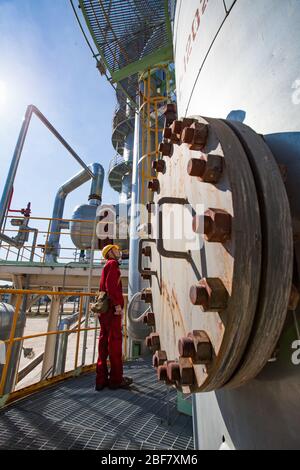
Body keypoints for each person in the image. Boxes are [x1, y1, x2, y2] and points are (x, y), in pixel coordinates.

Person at [95, 244, 132, 391]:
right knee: (115, 344)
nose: (119, 251)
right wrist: (117, 305)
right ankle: (116, 380)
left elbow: (104, 287)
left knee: (103, 344)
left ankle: (101, 379)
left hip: (104, 311)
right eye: (115, 250)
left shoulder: (106, 266)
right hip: (111, 311)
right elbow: (111, 287)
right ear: (110, 252)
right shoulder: (112, 265)